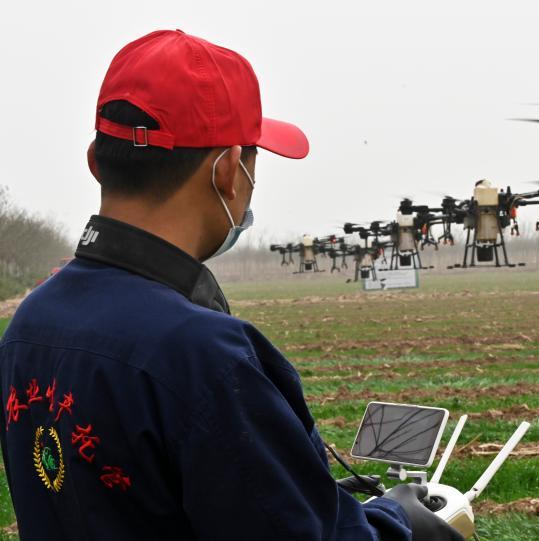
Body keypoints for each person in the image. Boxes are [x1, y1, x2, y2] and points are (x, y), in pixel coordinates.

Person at [0, 29, 462, 541]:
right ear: (226, 172)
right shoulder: (205, 357)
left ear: (96, 161)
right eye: (252, 164)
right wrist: (405, 523)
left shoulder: (28, 324)